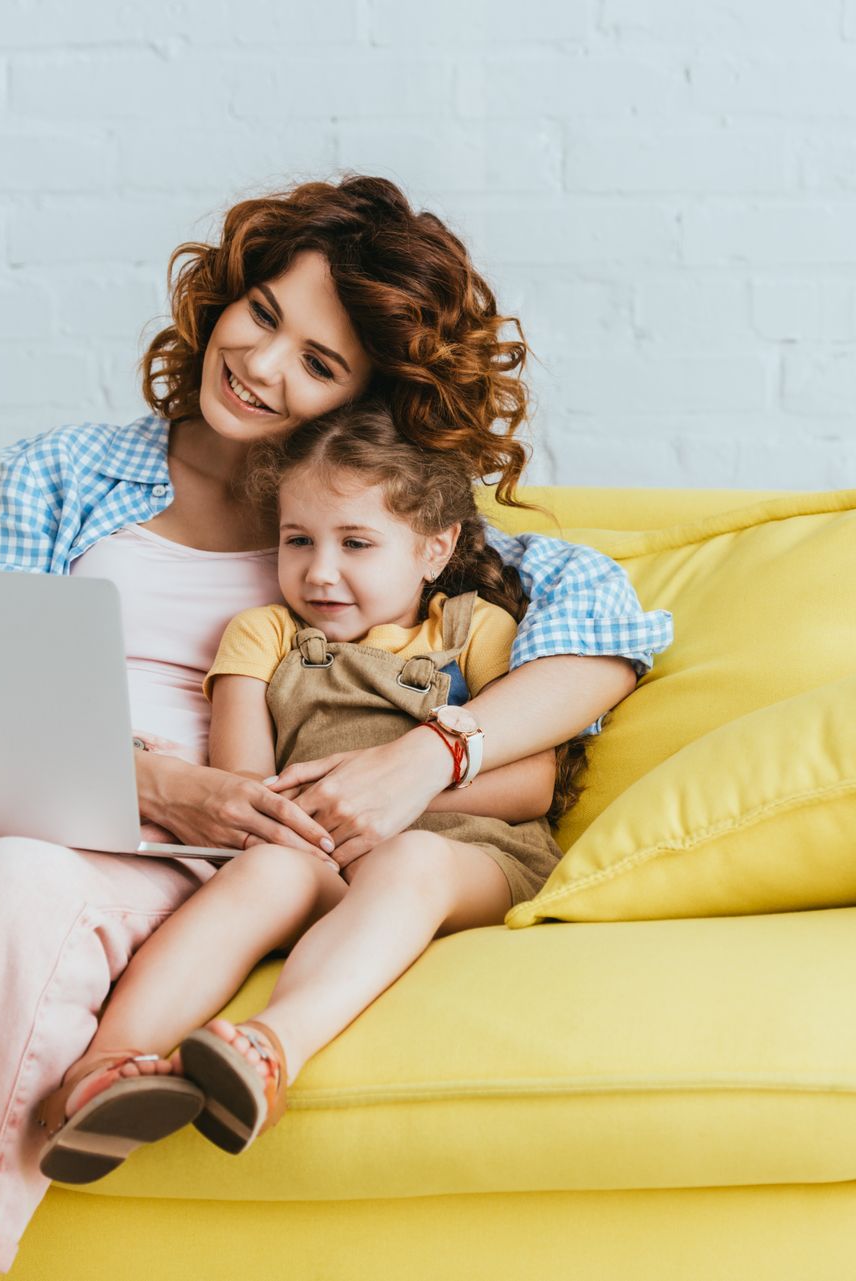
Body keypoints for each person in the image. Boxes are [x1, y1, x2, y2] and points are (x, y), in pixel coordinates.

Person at [0, 174, 672, 1280]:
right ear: (224, 298)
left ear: (371, 398)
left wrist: (429, 755)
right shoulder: (62, 475)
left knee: (17, 884)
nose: (264, 365)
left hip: (162, 860)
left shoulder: (372, 530)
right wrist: (158, 779)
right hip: (7, 804)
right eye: (262, 315)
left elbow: (604, 629)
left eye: (319, 362)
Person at [35, 401, 580, 1180]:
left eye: (356, 542)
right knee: (262, 868)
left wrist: (391, 797)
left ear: (435, 546)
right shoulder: (264, 635)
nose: (320, 570)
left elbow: (531, 785)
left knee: (409, 861)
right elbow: (244, 791)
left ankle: (269, 1048)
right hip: (316, 852)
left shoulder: (473, 629)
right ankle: (104, 1068)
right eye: (298, 540)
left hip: (466, 853)